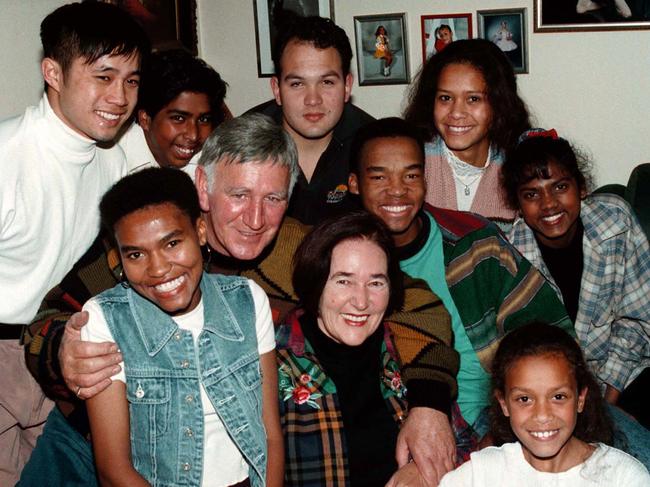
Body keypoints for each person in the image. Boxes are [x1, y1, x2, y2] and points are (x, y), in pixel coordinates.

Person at [39, 115, 456, 483]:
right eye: (238, 195)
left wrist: (429, 405)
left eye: (272, 199)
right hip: (91, 441)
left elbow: (415, 303)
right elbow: (51, 315)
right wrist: (63, 348)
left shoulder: (297, 251)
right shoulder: (151, 242)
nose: (255, 220)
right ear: (203, 185)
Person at [346, 117, 575, 485]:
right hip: (405, 416)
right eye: (379, 177)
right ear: (354, 184)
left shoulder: (472, 240)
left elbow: (549, 333)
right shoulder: (341, 259)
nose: (397, 191)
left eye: (410, 175)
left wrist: (500, 435)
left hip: (505, 409)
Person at [0, 3, 149, 484]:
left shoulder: (113, 158)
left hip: (64, 352)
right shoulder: (6, 157)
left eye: (131, 79)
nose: (119, 96)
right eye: (103, 76)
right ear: (53, 73)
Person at [81, 168, 282, 487]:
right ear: (118, 258)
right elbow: (112, 469)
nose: (158, 269)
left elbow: (270, 433)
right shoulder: (106, 319)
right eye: (135, 254)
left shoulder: (246, 301)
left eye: (172, 243)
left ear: (200, 232)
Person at [279, 211, 475, 486]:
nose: (361, 301)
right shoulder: (275, 362)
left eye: (376, 283)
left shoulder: (410, 348)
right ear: (316, 282)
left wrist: (425, 471)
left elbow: (465, 447)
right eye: (343, 280)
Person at [502, 129, 650, 430]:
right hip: (552, 390)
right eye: (532, 194)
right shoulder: (510, 254)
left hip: (624, 373)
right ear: (517, 204)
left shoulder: (615, 220)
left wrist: (608, 404)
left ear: (581, 187)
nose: (549, 204)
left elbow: (638, 320)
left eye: (560, 187)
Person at [439, 322, 650, 486]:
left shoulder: (622, 477)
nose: (542, 415)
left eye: (558, 397)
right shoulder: (481, 475)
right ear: (503, 404)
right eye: (524, 399)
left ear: (580, 399)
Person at [250, 15, 374, 224]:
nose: (313, 100)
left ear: (347, 86)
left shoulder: (372, 143)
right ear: (277, 89)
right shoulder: (244, 142)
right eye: (297, 84)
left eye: (326, 82)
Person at [404, 39, 531, 231]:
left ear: (499, 103)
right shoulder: (411, 163)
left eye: (473, 99)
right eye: (445, 98)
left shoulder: (520, 170)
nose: (456, 113)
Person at [119, 49, 228, 173]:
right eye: (179, 118)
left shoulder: (210, 159)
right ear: (145, 119)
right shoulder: (114, 162)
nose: (193, 135)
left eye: (204, 119)